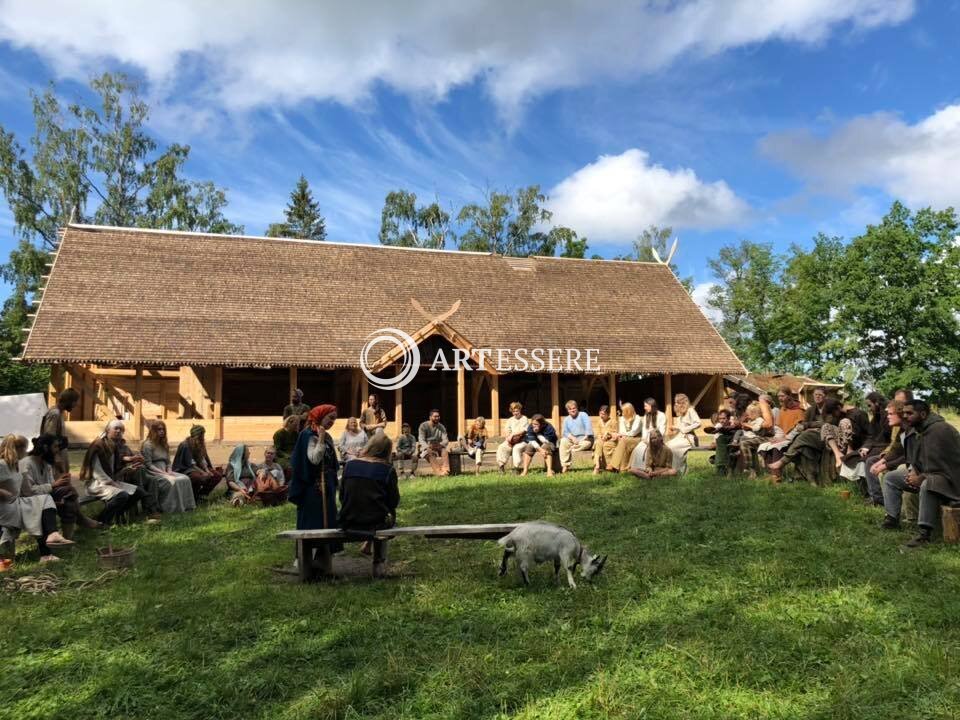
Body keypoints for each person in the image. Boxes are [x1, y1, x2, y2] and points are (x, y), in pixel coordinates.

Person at [881, 399, 960, 548]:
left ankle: (925, 534)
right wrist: (913, 472)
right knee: (891, 477)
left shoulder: (940, 430)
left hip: (951, 480)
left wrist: (921, 477)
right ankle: (891, 519)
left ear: (923, 414)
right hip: (929, 475)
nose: (905, 416)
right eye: (904, 413)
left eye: (909, 413)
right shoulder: (916, 429)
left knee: (927, 484)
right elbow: (915, 459)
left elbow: (945, 466)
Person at [0, 435, 73, 563]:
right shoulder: (2, 465)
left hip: (17, 503)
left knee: (44, 500)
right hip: (5, 508)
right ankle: (46, 552)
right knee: (41, 506)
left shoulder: (15, 465)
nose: (27, 451)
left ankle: (51, 537)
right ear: (19, 448)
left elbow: (26, 490)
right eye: (25, 448)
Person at [338, 432, 400, 578]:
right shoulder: (387, 470)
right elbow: (394, 501)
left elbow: (342, 496)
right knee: (383, 514)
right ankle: (378, 563)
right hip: (376, 523)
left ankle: (368, 544)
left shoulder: (349, 465)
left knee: (373, 509)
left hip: (348, 519)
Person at [20, 433, 100, 538]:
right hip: (28, 501)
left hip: (44, 497)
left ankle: (67, 539)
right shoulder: (26, 464)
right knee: (67, 493)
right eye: (55, 446)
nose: (58, 450)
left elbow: (51, 485)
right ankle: (80, 521)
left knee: (68, 498)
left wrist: (61, 480)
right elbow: (28, 492)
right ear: (45, 447)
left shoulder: (46, 463)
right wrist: (54, 485)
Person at [288, 404, 342, 553]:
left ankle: (324, 559)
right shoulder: (308, 434)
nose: (332, 422)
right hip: (312, 486)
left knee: (328, 519)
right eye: (330, 418)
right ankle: (307, 559)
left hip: (327, 484)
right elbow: (314, 459)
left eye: (334, 420)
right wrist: (321, 440)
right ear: (320, 415)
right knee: (313, 521)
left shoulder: (325, 434)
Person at [79, 420, 143, 526]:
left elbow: (113, 471)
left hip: (110, 482)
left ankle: (116, 515)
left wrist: (125, 471)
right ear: (108, 430)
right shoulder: (98, 445)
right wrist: (114, 484)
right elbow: (97, 473)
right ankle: (101, 521)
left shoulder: (113, 445)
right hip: (96, 484)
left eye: (121, 430)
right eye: (116, 428)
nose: (119, 431)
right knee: (122, 495)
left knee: (138, 492)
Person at [140, 421, 196, 514]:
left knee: (185, 478)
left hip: (165, 470)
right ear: (153, 431)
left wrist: (169, 470)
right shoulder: (148, 445)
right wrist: (163, 473)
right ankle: (171, 508)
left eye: (163, 429)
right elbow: (148, 464)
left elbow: (168, 462)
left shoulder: (164, 444)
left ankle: (187, 506)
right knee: (172, 481)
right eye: (159, 429)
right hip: (153, 472)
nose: (162, 431)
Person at [864, 400, 906, 507]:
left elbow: (908, 456)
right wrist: (881, 462)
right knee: (871, 461)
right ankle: (878, 499)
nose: (888, 417)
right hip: (899, 457)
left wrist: (885, 465)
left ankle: (892, 511)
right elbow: (896, 449)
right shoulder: (901, 429)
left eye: (891, 414)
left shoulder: (910, 430)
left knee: (893, 473)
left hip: (910, 463)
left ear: (901, 414)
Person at [172, 425, 223, 502]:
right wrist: (203, 473)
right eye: (202, 434)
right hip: (185, 468)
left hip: (198, 467)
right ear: (199, 435)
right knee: (199, 477)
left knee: (216, 475)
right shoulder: (185, 445)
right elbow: (190, 463)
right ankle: (193, 497)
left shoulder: (200, 444)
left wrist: (207, 471)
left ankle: (202, 495)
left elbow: (202, 459)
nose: (203, 437)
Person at [40, 388, 79, 474]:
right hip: (56, 456)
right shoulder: (55, 413)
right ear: (69, 401)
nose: (76, 404)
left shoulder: (60, 413)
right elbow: (49, 437)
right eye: (75, 401)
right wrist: (56, 457)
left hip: (61, 452)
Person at [628, 398, 668, 470]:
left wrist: (653, 439)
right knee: (638, 449)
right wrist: (645, 439)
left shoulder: (661, 415)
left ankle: (648, 468)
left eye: (646, 406)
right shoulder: (647, 415)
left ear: (651, 405)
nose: (644, 408)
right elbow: (644, 429)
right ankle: (639, 468)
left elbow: (662, 430)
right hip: (646, 439)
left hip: (657, 439)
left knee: (648, 450)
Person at [666, 393, 701, 470]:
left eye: (677, 402)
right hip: (680, 437)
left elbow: (698, 423)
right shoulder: (680, 415)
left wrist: (685, 429)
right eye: (675, 402)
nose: (675, 404)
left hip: (689, 438)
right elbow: (680, 428)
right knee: (667, 445)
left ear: (683, 403)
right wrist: (675, 429)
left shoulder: (690, 410)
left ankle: (679, 470)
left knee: (673, 447)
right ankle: (670, 468)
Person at [558, 400, 593, 472]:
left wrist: (580, 440)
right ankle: (565, 465)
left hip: (585, 439)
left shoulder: (583, 415)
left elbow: (588, 430)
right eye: (570, 409)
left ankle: (571, 449)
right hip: (574, 440)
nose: (572, 410)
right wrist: (572, 438)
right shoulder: (566, 419)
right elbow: (565, 433)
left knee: (587, 443)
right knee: (563, 441)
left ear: (577, 408)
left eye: (574, 408)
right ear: (568, 410)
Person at [609, 402, 643, 472]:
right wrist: (620, 435)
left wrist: (621, 435)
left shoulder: (638, 419)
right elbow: (622, 431)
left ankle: (613, 464)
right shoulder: (622, 419)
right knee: (623, 441)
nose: (622, 413)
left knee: (624, 440)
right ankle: (623, 469)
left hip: (636, 439)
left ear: (628, 411)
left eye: (623, 411)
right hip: (626, 438)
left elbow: (633, 432)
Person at [496, 402, 529, 473]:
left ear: (520, 410)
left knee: (516, 448)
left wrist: (513, 434)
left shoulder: (524, 418)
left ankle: (516, 468)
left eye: (517, 411)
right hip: (511, 440)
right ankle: (501, 467)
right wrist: (509, 439)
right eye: (513, 411)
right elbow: (507, 431)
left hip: (522, 440)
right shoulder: (510, 420)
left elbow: (524, 430)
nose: (515, 413)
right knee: (502, 447)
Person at [418, 410, 450, 476]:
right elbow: (421, 439)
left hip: (437, 446)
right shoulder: (423, 426)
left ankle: (446, 470)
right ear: (430, 417)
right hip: (426, 447)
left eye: (438, 416)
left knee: (444, 451)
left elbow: (446, 440)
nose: (437, 418)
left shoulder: (441, 427)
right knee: (430, 453)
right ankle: (439, 472)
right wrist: (427, 447)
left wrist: (440, 445)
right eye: (435, 416)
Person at [592, 405, 619, 474]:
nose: (601, 416)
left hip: (611, 440)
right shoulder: (599, 422)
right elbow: (598, 433)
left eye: (603, 414)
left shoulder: (613, 422)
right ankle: (597, 465)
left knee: (605, 445)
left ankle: (608, 465)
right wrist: (600, 436)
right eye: (600, 413)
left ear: (608, 414)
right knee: (598, 443)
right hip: (601, 440)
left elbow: (615, 433)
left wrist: (608, 434)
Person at [273, 414, 300, 479]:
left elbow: (298, 446)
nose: (297, 426)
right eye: (295, 424)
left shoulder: (296, 434)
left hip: (294, 454)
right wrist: (287, 456)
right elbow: (278, 450)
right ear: (289, 423)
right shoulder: (279, 433)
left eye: (297, 425)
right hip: (282, 456)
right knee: (289, 466)